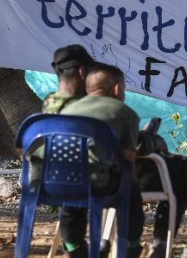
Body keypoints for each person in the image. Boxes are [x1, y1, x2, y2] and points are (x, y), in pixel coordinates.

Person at [62, 62, 187, 258]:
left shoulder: (66, 111)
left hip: (69, 184)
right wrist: (152, 142)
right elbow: (129, 154)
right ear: (117, 89)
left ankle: (85, 245)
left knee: (172, 177)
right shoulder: (121, 112)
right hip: (115, 183)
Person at [40, 45, 145, 258]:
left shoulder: (50, 105)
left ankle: (75, 249)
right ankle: (129, 247)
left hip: (50, 181)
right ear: (82, 73)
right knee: (127, 187)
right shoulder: (90, 106)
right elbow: (125, 154)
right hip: (94, 181)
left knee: (73, 194)